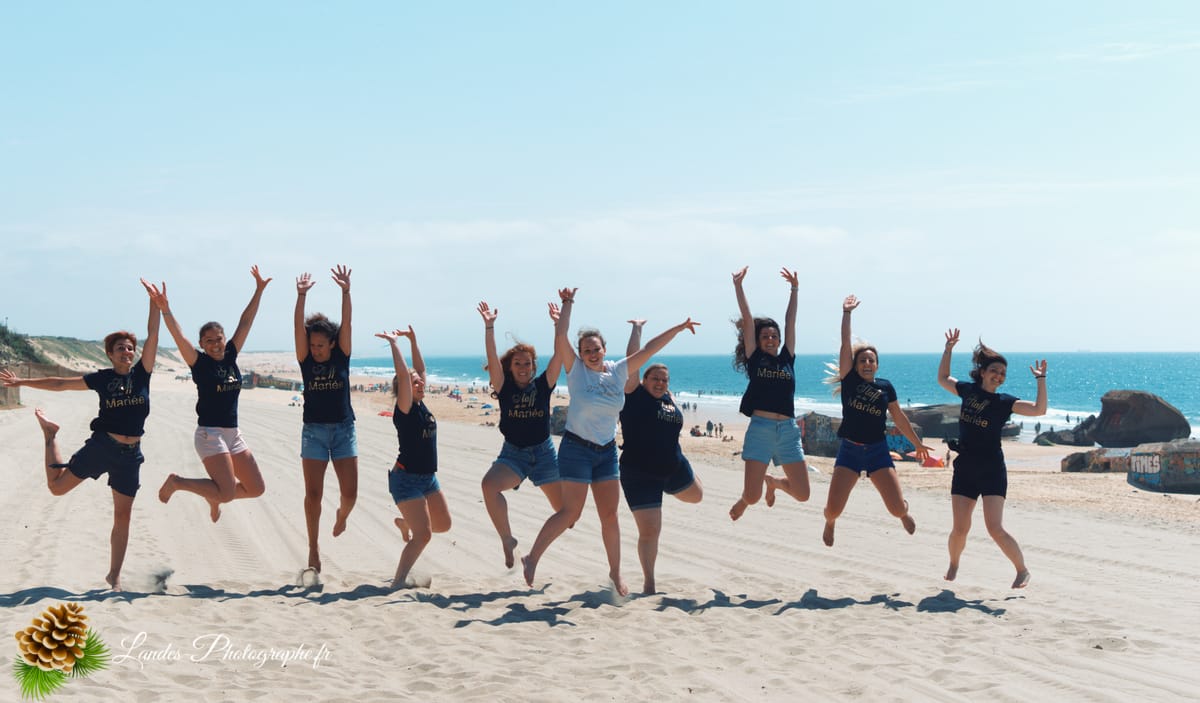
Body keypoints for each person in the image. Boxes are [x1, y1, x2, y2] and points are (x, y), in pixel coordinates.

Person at [522, 288, 699, 596]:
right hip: (576, 449)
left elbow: (651, 350)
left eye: (596, 348)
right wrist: (568, 303)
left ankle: (616, 575)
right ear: (580, 353)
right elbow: (561, 334)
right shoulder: (575, 370)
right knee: (570, 513)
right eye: (586, 349)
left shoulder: (618, 371)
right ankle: (532, 557)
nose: (592, 353)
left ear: (604, 349)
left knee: (609, 517)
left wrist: (680, 328)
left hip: (605, 453)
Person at [0, 280, 162, 590]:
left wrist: (155, 304)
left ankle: (114, 576)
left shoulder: (143, 373)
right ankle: (50, 436)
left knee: (123, 517)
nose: (127, 351)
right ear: (110, 355)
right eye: (120, 348)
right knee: (57, 489)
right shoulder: (101, 380)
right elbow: (61, 384)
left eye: (130, 347)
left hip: (131, 456)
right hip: (103, 446)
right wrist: (23, 382)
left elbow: (153, 334)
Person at [153, 266, 271, 522]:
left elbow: (246, 321)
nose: (216, 344)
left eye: (219, 339)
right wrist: (165, 309)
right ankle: (177, 482)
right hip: (210, 433)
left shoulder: (230, 355)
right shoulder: (200, 363)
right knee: (227, 492)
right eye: (209, 341)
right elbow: (178, 336)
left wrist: (259, 290)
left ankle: (213, 495)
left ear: (224, 339)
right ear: (202, 345)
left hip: (233, 433)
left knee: (256, 488)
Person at [937, 329, 1046, 589]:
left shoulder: (1003, 402)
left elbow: (1039, 410)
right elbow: (942, 378)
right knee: (960, 529)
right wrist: (948, 350)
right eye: (994, 370)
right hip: (965, 467)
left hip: (992, 469)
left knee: (994, 528)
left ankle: (1022, 571)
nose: (999, 376)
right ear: (983, 372)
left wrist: (1041, 380)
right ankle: (954, 562)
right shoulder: (967, 390)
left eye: (1003, 374)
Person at [821, 295, 930, 547]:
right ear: (855, 365)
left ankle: (904, 513)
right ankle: (830, 523)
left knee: (895, 508)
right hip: (849, 451)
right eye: (863, 360)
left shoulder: (885, 387)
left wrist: (917, 443)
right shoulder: (850, 381)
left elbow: (899, 418)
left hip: (878, 451)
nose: (867, 363)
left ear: (877, 365)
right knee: (832, 509)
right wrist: (846, 313)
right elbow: (845, 344)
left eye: (871, 360)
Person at [477, 300, 566, 568]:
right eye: (518, 363)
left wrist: (557, 324)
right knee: (489, 486)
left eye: (527, 363)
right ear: (511, 367)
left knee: (567, 515)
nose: (523, 367)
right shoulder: (503, 387)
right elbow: (493, 359)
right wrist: (490, 326)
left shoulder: (543, 385)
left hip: (544, 453)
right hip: (514, 454)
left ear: (534, 365)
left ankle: (533, 555)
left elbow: (560, 355)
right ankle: (507, 540)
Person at [618, 320, 703, 594]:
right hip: (639, 473)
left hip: (673, 467)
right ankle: (650, 583)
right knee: (651, 530)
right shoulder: (633, 396)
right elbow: (633, 358)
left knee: (697, 495)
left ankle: (666, 487)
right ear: (642, 380)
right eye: (654, 378)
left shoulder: (668, 400)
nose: (659, 382)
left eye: (664, 380)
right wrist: (637, 329)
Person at [728, 266, 810, 520]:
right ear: (758, 340)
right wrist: (738, 286)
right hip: (761, 429)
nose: (771, 339)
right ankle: (746, 500)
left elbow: (791, 322)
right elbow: (747, 316)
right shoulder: (756, 359)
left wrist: (794, 289)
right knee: (752, 496)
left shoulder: (787, 358)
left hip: (788, 430)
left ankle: (774, 483)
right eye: (766, 336)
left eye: (775, 336)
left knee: (803, 493)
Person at [377, 327, 452, 589]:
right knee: (423, 535)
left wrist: (414, 340)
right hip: (406, 479)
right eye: (414, 382)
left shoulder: (421, 404)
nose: (420, 382)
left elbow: (419, 369)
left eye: (421, 381)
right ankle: (398, 582)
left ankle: (405, 522)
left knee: (443, 524)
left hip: (428, 479)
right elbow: (404, 374)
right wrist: (395, 345)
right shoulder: (405, 408)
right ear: (404, 388)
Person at [294, 265, 357, 577]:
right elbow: (297, 328)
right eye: (312, 345)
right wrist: (301, 296)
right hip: (314, 432)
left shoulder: (341, 354)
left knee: (350, 495)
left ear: (331, 343)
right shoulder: (306, 361)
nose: (316, 350)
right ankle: (313, 548)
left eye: (320, 345)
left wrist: (345, 292)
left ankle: (342, 515)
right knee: (313, 495)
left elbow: (347, 323)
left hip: (344, 430)